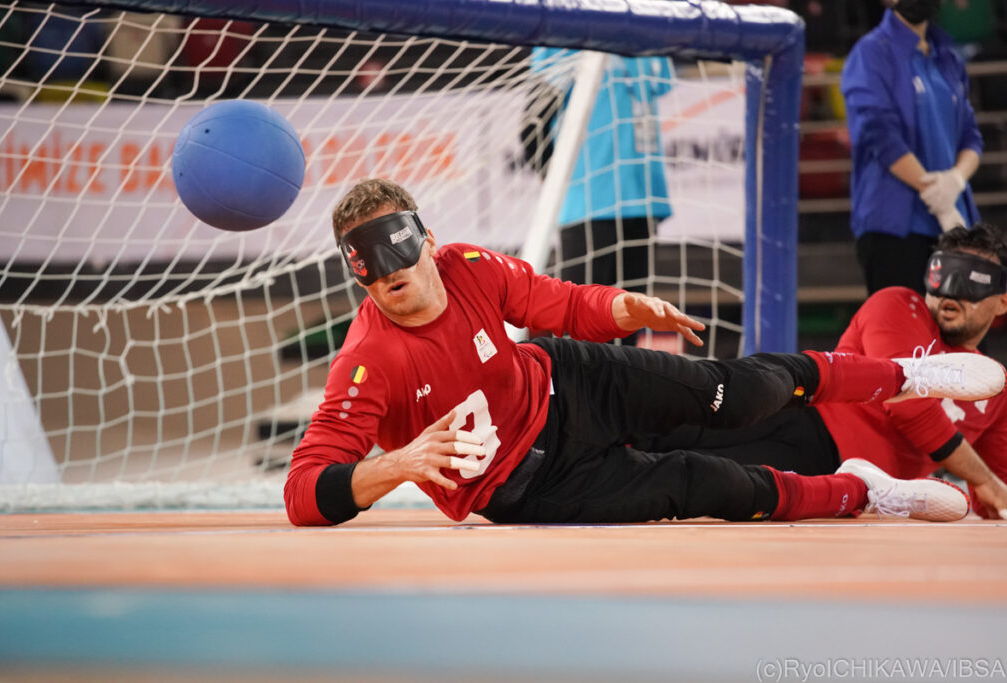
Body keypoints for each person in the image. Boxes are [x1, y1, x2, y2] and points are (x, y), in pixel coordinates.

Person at [283, 178, 1004, 528]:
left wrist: (621, 308)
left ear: (427, 239)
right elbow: (302, 492)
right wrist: (395, 465)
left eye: (396, 246)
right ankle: (863, 491)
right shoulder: (368, 361)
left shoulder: (471, 266)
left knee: (738, 390)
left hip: (571, 382)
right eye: (364, 263)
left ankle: (907, 374)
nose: (386, 271)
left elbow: (558, 305)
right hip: (528, 485)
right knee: (711, 484)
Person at [646, 223, 1007, 519]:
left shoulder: (994, 390)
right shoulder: (900, 306)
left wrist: (991, 491)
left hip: (854, 495)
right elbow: (911, 406)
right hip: (803, 422)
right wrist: (983, 479)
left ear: (1002, 300)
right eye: (945, 272)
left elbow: (997, 489)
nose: (950, 292)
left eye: (972, 279)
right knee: (665, 436)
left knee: (691, 481)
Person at [530, 48, 673, 345]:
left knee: (630, 330)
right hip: (587, 204)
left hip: (643, 199)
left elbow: (661, 85)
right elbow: (532, 127)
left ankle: (622, 393)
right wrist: (562, 184)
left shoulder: (646, 34)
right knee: (581, 331)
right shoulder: (564, 37)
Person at [841, 0, 983, 295]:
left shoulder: (949, 57)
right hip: (896, 227)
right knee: (903, 338)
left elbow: (970, 136)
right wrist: (935, 195)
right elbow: (879, 133)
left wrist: (954, 182)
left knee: (964, 340)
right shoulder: (871, 53)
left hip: (953, 225)